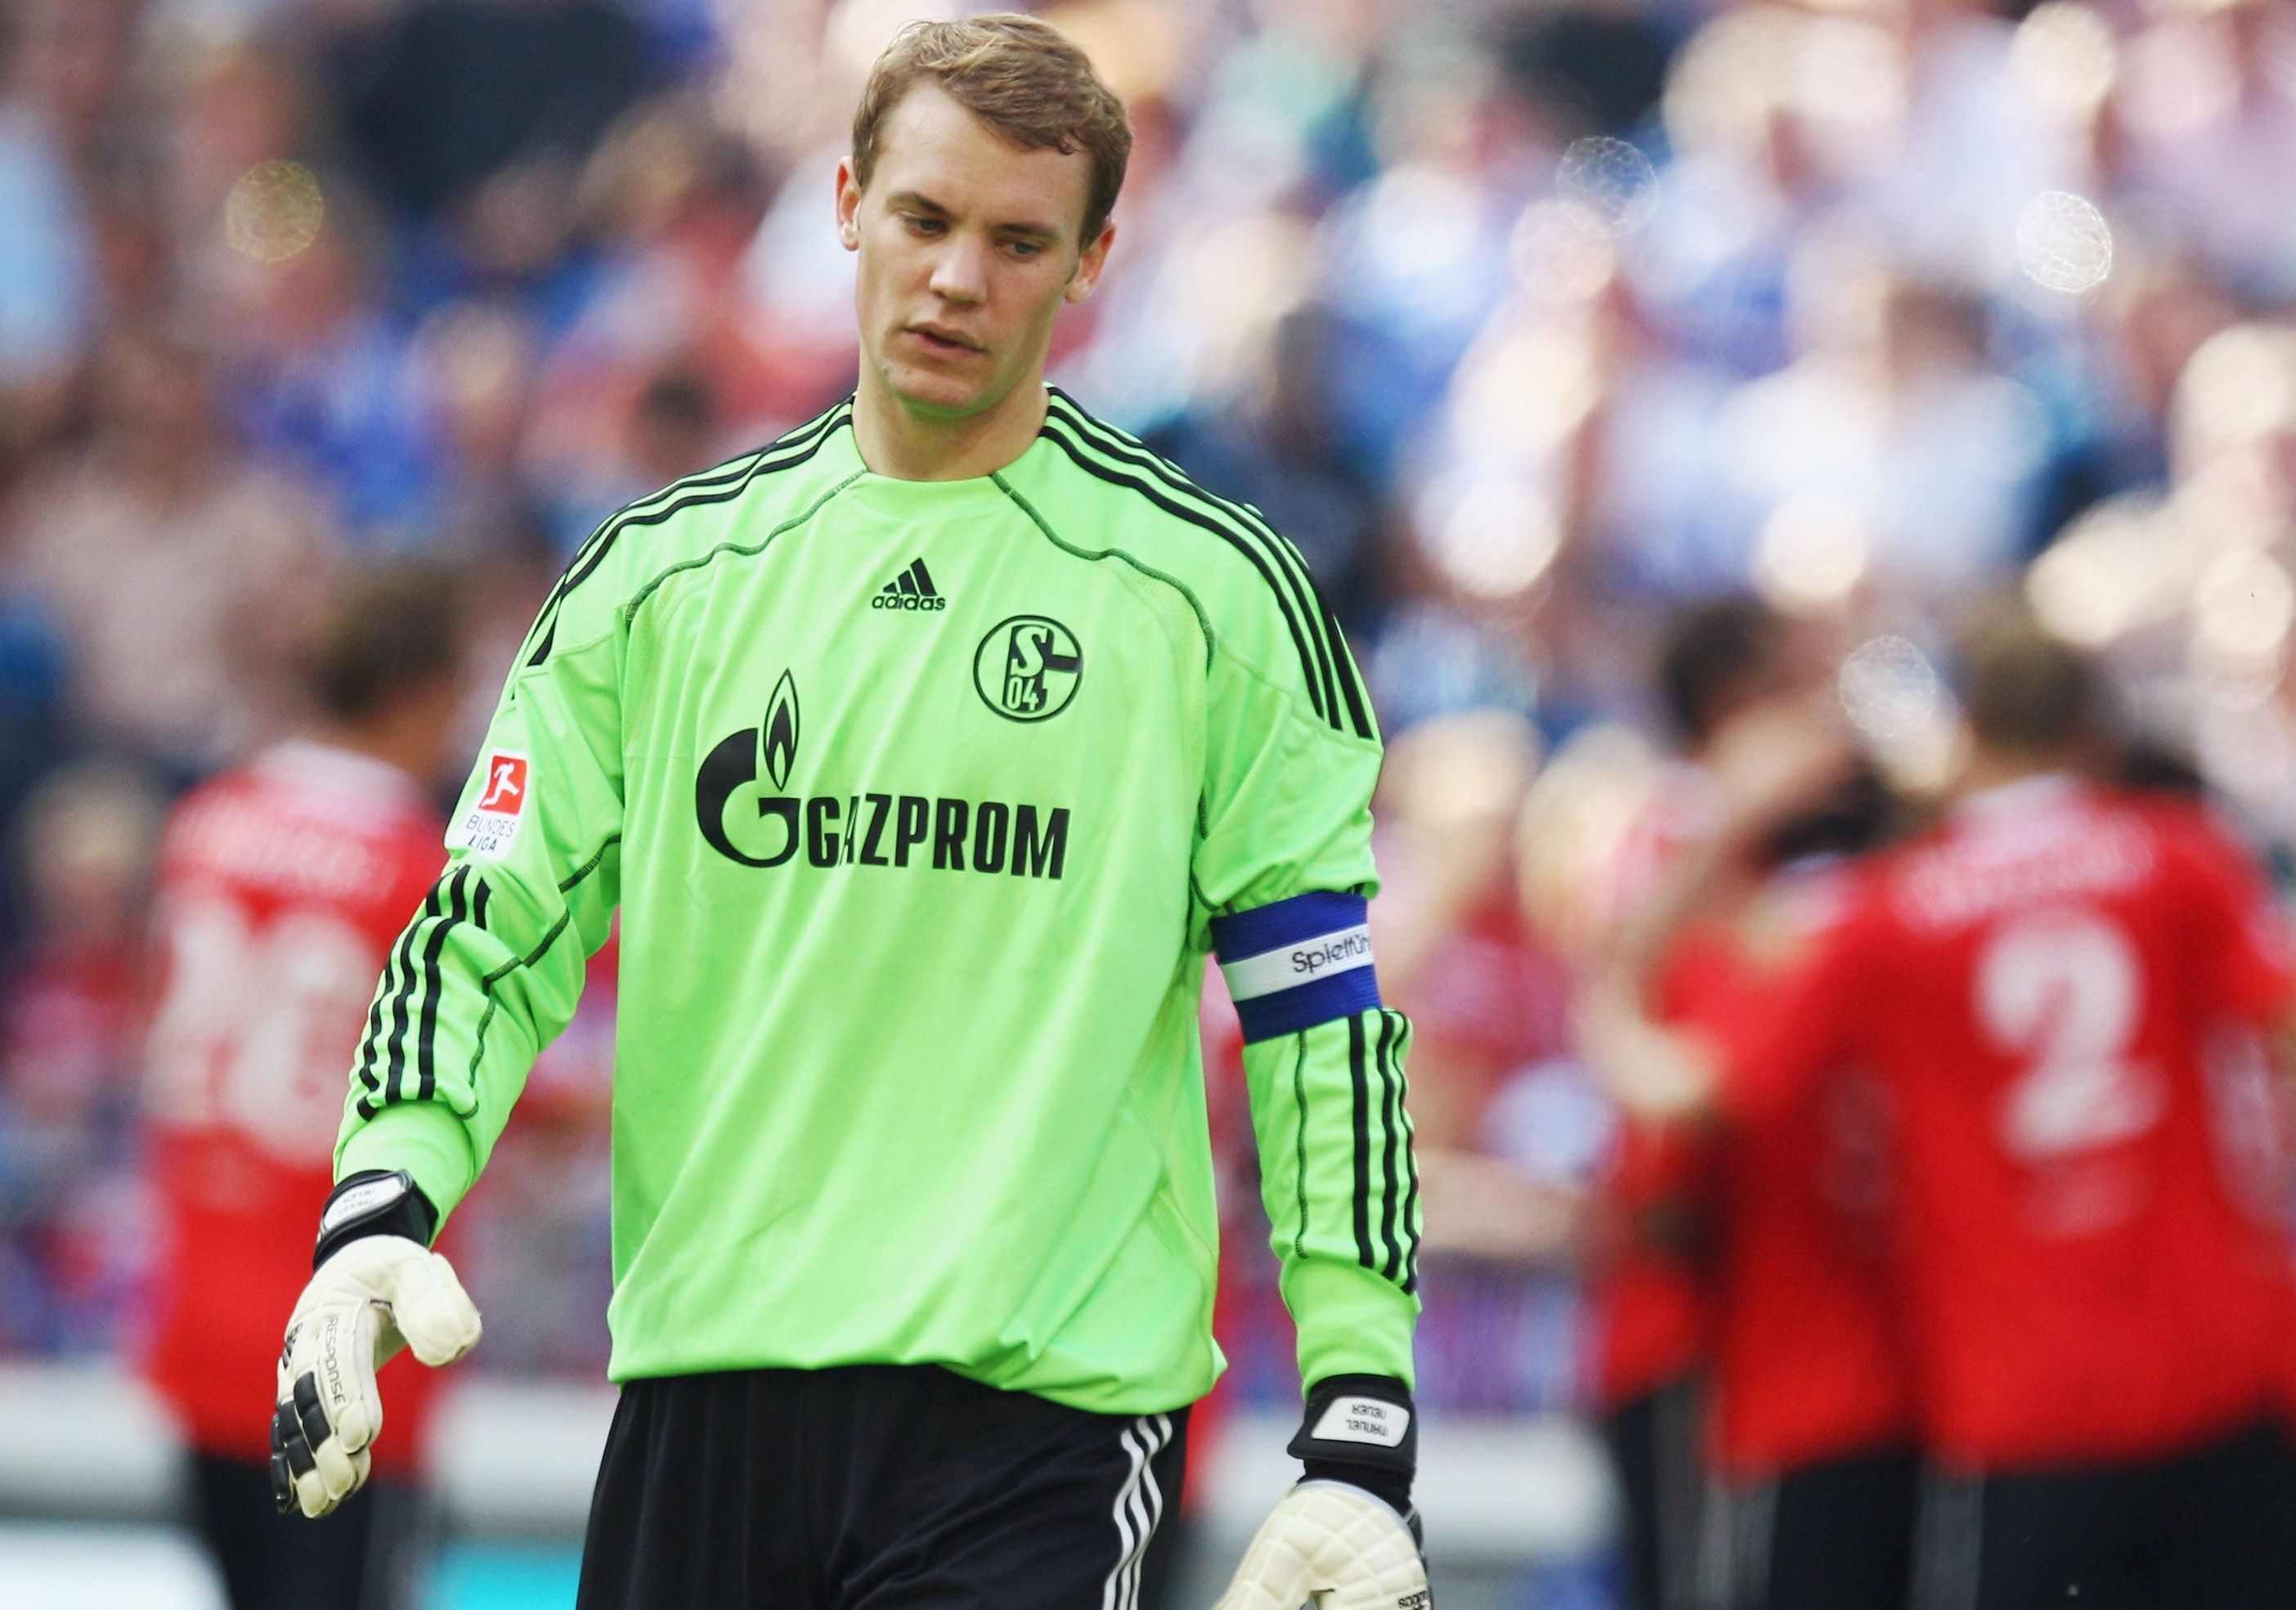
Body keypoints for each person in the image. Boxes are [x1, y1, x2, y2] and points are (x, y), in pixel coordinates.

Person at [260, 17, 1428, 1610]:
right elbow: (489, 930)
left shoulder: (1215, 603)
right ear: (846, 205)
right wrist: (381, 1199)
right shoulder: (656, 584)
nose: (958, 278)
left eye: (1019, 241)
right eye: (926, 220)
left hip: (1039, 1418)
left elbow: (1323, 1023)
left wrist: (1359, 1410)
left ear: (1092, 263)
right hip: (703, 1394)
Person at [1660, 603, 2296, 1610]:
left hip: (2019, 1397)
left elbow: (1698, 1090)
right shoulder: (2180, 856)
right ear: (2091, 733)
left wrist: (1619, 972)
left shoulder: (1890, 914)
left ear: (1966, 733)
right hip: (2215, 1373)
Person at [1584, 596, 1923, 1610]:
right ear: (1737, 702)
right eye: (1793, 687)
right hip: (1695, 1326)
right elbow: (1666, 1081)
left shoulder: (1818, 868)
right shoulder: (1677, 835)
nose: (1824, 716)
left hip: (1808, 1326)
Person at [141, 567, 466, 1610]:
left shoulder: (208, 822)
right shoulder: (417, 868)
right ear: (420, 692)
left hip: (196, 1310)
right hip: (341, 1339)